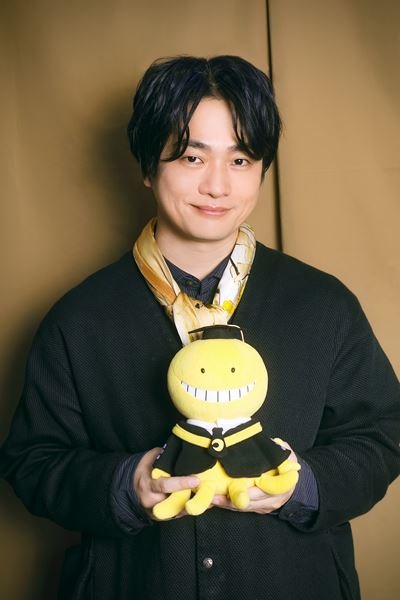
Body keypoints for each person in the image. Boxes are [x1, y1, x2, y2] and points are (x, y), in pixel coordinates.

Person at [0, 55, 399, 600]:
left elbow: (381, 436)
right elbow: (32, 461)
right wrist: (126, 485)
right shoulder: (78, 318)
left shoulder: (324, 305)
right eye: (192, 156)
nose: (217, 185)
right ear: (148, 166)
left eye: (241, 160)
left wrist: (301, 486)